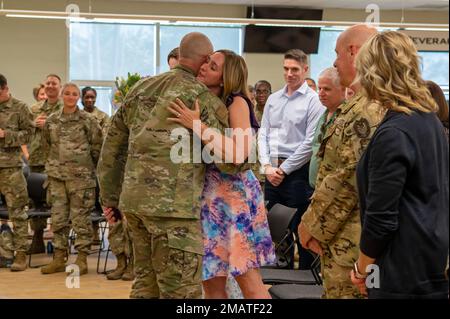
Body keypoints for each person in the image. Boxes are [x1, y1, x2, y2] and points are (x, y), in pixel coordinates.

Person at [97, 32, 239, 299]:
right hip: (175, 212)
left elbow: (112, 147)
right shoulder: (201, 98)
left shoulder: (141, 88)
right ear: (205, 60)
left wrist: (110, 198)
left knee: (145, 283)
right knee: (180, 291)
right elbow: (233, 161)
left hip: (135, 205)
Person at [167, 49, 275, 299]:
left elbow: (239, 153)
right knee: (212, 282)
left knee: (248, 281)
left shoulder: (236, 101)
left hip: (233, 200)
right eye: (206, 62)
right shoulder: (203, 98)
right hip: (208, 200)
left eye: (213, 67)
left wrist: (197, 125)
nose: (205, 68)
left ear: (226, 78)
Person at [350, 31, 449, 299]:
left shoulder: (395, 132)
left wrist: (362, 269)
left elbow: (381, 220)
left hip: (398, 271)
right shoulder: (430, 121)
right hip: (430, 262)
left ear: (372, 74)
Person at [299, 24, 383, 299]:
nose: (335, 62)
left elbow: (350, 179)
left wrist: (312, 224)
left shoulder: (365, 110)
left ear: (353, 52)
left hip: (351, 241)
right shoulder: (358, 104)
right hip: (342, 236)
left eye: (337, 54)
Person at [258, 49, 325, 270]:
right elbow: (263, 134)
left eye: (294, 69)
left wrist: (284, 169)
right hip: (272, 170)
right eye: (286, 69)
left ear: (305, 70)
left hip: (297, 172)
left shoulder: (313, 101)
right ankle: (281, 274)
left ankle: (306, 278)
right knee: (275, 230)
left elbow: (309, 143)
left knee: (300, 228)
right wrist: (267, 166)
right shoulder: (273, 99)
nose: (289, 73)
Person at [40, 83, 103, 276]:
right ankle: (59, 258)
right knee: (58, 219)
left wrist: (85, 168)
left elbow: (97, 146)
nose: (70, 96)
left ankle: (82, 259)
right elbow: (46, 145)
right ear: (61, 95)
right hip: (57, 178)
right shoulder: (51, 120)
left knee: (81, 219)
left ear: (78, 98)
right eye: (66, 93)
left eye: (74, 94)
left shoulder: (88, 120)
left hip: (81, 179)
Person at [0, 73, 35, 271]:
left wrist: (6, 135)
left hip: (10, 168)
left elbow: (29, 134)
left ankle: (20, 254)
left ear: (5, 88)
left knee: (18, 212)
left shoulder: (20, 108)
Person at [27, 74, 64, 255]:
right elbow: (24, 130)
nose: (50, 86)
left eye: (54, 83)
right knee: (35, 202)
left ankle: (59, 244)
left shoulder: (66, 108)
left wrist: (48, 125)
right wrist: (34, 124)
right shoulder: (34, 109)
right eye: (48, 83)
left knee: (57, 202)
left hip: (57, 162)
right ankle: (37, 238)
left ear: (60, 86)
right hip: (36, 160)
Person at [309, 67, 346, 189]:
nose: (321, 93)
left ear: (342, 89)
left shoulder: (347, 117)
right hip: (316, 189)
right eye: (319, 88)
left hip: (335, 193)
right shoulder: (323, 115)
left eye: (327, 89)